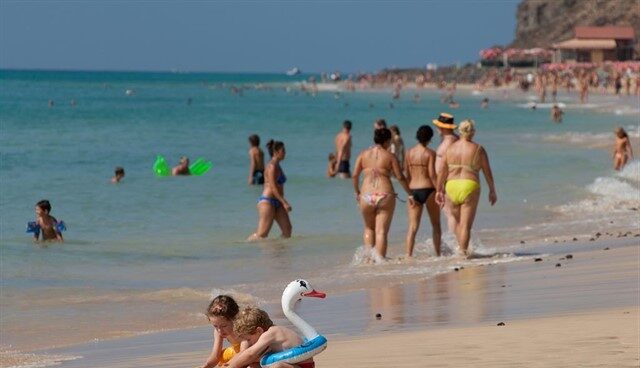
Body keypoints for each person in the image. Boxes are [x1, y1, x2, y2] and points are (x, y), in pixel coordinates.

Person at [435, 120, 497, 258]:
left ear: (459, 131)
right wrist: (492, 190)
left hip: (451, 186)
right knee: (465, 225)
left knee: (456, 222)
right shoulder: (478, 149)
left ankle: (461, 249)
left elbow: (442, 172)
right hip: (469, 185)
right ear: (473, 132)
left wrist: (439, 190)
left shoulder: (450, 149)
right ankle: (462, 253)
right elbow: (487, 171)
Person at [352, 128, 415, 260]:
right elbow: (400, 177)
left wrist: (357, 191)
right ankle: (380, 262)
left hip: (366, 195)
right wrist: (410, 193)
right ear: (387, 141)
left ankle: (369, 260)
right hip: (385, 195)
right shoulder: (390, 156)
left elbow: (355, 175)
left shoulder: (363, 154)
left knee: (369, 229)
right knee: (381, 231)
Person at [226, 307, 314, 368]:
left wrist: (232, 366)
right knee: (253, 365)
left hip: (302, 366)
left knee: (277, 367)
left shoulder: (272, 333)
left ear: (259, 331)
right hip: (292, 364)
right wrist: (229, 363)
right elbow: (247, 355)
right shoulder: (268, 337)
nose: (250, 342)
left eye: (249, 339)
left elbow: (250, 353)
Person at [404, 125, 440, 257]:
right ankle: (438, 255)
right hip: (429, 189)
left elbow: (406, 175)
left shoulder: (408, 153)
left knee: (412, 227)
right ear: (430, 138)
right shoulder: (430, 153)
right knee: (436, 224)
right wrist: (440, 191)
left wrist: (409, 193)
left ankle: (408, 256)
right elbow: (432, 174)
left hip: (413, 190)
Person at [248, 140, 292, 240]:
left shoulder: (278, 165)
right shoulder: (272, 166)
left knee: (287, 230)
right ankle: (246, 245)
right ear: (276, 152)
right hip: (267, 201)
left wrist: (281, 202)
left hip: (277, 201)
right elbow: (273, 187)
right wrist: (284, 202)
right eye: (283, 150)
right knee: (262, 234)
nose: (285, 153)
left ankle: (279, 251)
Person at [199, 295, 246, 368]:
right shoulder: (218, 331)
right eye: (215, 326)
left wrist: (229, 365)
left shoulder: (242, 329)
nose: (219, 330)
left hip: (248, 351)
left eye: (224, 326)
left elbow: (245, 352)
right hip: (235, 351)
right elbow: (215, 356)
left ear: (235, 319)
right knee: (221, 357)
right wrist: (206, 366)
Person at [433, 113, 459, 234]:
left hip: (447, 181)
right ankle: (462, 243)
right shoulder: (456, 139)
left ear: (442, 127)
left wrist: (440, 187)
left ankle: (455, 244)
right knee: (456, 215)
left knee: (451, 214)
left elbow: (444, 167)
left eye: (438, 126)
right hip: (454, 180)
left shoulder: (448, 142)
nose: (436, 128)